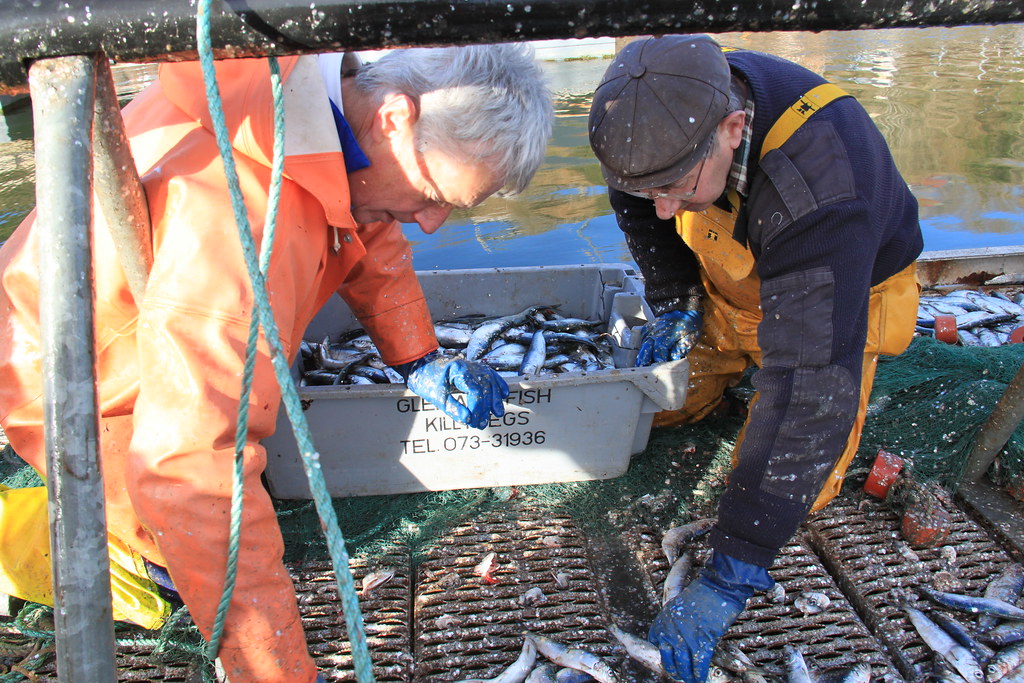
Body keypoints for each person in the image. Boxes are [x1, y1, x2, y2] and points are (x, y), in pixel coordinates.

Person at [0, 44, 551, 681]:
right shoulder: (237, 216)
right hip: (77, 378)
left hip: (162, 346)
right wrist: (279, 671)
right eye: (433, 194)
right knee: (169, 550)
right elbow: (191, 467)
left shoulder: (316, 111)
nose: (433, 224)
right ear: (396, 117)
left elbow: (365, 223)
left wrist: (417, 354)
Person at [588, 34, 922, 681]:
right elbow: (640, 205)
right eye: (644, 185)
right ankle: (728, 364)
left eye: (675, 185)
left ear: (734, 128)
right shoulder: (645, 126)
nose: (660, 205)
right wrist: (676, 296)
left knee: (799, 478)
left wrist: (734, 567)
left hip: (844, 292)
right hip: (733, 280)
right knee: (652, 406)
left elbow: (808, 389)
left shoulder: (821, 186)